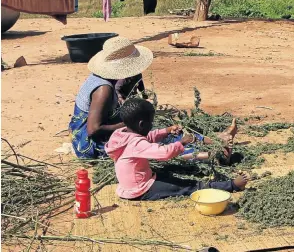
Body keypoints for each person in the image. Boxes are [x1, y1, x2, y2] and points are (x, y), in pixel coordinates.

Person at [105, 98, 248, 201]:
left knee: (171, 176)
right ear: (142, 124)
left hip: (138, 183)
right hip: (141, 190)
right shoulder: (136, 144)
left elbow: (148, 137)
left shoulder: (122, 134)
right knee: (187, 186)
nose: (152, 124)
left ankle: (218, 151)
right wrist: (182, 142)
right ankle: (231, 185)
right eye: (151, 122)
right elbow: (165, 153)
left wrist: (166, 131)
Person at [69, 37, 154, 159]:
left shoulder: (104, 79)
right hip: (88, 143)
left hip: (83, 128)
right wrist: (128, 125)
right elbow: (93, 130)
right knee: (147, 143)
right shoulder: (104, 89)